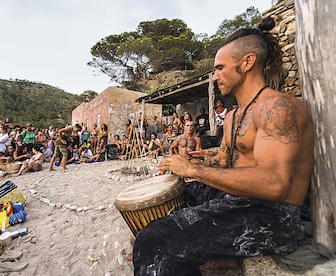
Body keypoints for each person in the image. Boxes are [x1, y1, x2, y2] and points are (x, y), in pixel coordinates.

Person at [133, 17, 314, 276]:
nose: (215, 76)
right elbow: (229, 160)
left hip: (274, 217)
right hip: (241, 198)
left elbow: (276, 184)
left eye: (220, 68)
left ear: (247, 63)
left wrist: (195, 170)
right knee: (180, 193)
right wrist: (199, 161)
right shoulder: (235, 115)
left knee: (151, 240)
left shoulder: (276, 108)